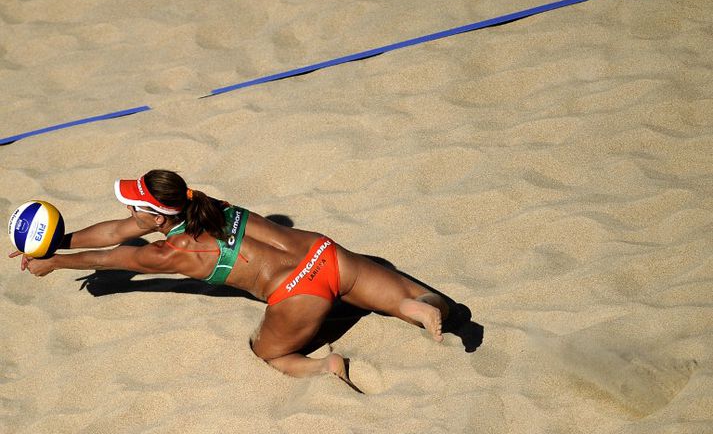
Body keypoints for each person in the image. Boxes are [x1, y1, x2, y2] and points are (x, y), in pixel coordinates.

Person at [10, 169, 449, 385]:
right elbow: (117, 232)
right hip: (326, 254)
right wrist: (57, 241)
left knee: (269, 353)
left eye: (135, 206)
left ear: (158, 217)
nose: (128, 211)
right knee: (422, 298)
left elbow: (112, 258)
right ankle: (414, 306)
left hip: (300, 294)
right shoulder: (200, 201)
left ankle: (324, 367)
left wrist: (55, 263)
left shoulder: (175, 253)